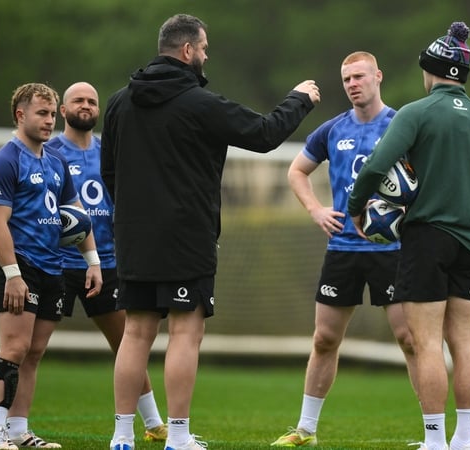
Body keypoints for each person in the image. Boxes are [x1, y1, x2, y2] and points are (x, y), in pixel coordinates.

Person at [100, 13, 320, 450]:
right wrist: (300, 99)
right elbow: (264, 134)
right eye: (203, 49)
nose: (205, 56)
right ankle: (177, 437)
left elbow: (109, 172)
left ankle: (122, 435)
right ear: (187, 51)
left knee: (136, 333)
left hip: (133, 237)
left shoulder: (119, 102)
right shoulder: (199, 103)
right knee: (186, 332)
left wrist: (133, 216)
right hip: (187, 237)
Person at [347, 22, 470, 450]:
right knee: (464, 342)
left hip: (426, 238)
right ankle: (463, 440)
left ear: (431, 70)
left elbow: (374, 168)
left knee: (427, 343)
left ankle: (435, 441)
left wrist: (356, 207)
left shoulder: (415, 112)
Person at [270, 51, 418, 448]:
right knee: (323, 339)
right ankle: (306, 430)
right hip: (343, 249)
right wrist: (316, 209)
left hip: (394, 250)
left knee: (410, 339)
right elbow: (296, 170)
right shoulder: (332, 129)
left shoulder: (404, 124)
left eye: (359, 76)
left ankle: (433, 434)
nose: (353, 84)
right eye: (347, 78)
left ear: (378, 77)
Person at [0, 82, 103, 449]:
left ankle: (18, 430)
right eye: (42, 114)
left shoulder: (55, 160)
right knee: (14, 349)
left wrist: (91, 261)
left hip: (54, 267)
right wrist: (12, 275)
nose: (49, 122)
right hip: (21, 267)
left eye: (51, 114)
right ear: (20, 115)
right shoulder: (5, 161)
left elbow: (76, 215)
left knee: (33, 353)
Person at [45, 81, 168, 443]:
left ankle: (152, 423)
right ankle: (4, 421)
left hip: (108, 263)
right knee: (30, 347)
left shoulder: (107, 152)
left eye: (92, 101)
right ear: (63, 111)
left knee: (127, 343)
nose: (86, 105)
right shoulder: (48, 152)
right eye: (78, 101)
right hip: (58, 262)